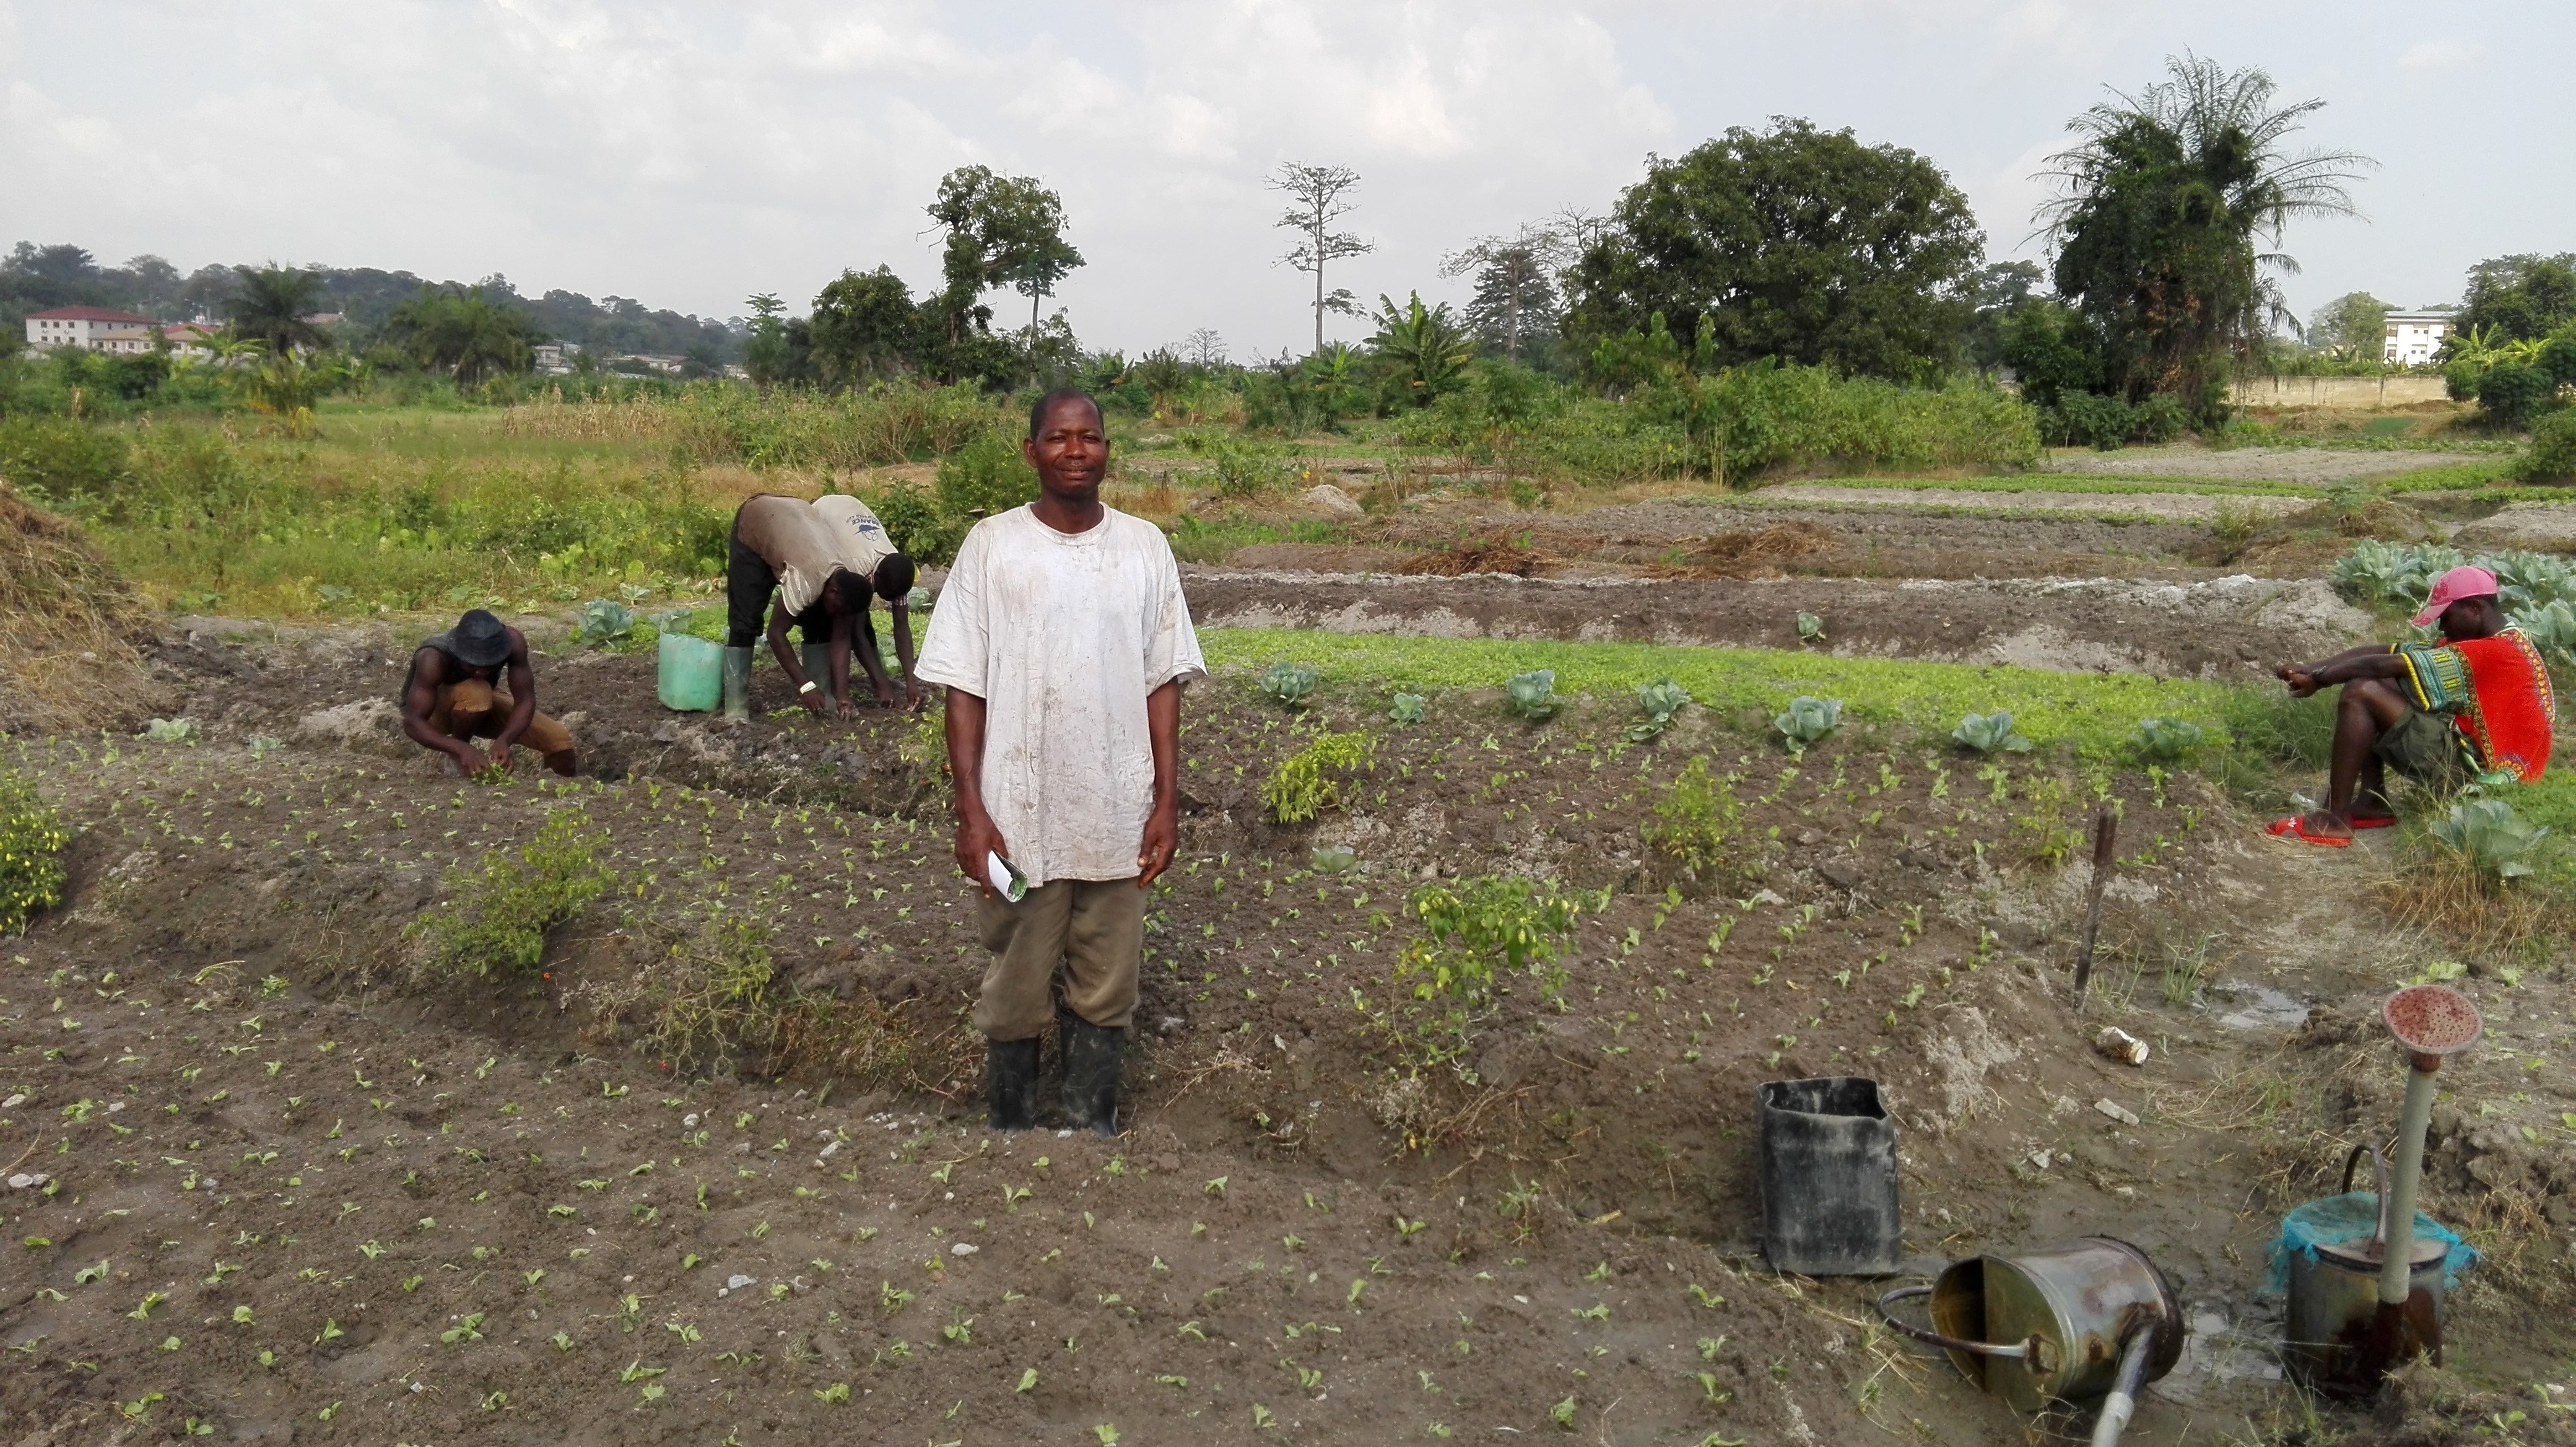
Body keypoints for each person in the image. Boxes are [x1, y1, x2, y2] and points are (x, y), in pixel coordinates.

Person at [914, 387, 1203, 1135]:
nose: (1076, 451)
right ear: (1031, 451)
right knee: (1014, 984)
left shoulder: (1143, 547)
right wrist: (972, 812)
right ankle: (1010, 1125)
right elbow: (964, 688)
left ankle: (1090, 1122)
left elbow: (1161, 682)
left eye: (1090, 438)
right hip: (1019, 809)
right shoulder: (993, 546)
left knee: (1106, 985)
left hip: (1116, 806)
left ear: (1108, 449)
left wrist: (1165, 802)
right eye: (1058, 438)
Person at [2268, 565, 2554, 846]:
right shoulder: (2508, 638)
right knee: (2382, 685)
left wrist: (2321, 679)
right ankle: (2372, 802)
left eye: (2446, 617)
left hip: (2481, 782)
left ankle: (2335, 820)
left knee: (2361, 692)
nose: (2442, 626)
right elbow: (2387, 651)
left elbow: (2382, 664)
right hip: (2481, 760)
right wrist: (2312, 667)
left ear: (2475, 609)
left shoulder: (2494, 651)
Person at [723, 493, 916, 720]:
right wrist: (805, 686)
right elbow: (776, 634)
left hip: (799, 515)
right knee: (746, 618)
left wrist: (842, 695)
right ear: (833, 591)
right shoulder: (807, 580)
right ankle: (736, 707)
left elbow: (844, 636)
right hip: (757, 521)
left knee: (820, 618)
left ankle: (825, 694)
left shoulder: (845, 577)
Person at [398, 608, 577, 777]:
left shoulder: (513, 643)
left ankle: (560, 794)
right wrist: (461, 748)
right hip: (433, 713)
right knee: (477, 691)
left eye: (489, 666)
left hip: (483, 704)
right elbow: (413, 722)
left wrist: (505, 740)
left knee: (558, 740)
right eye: (473, 666)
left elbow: (525, 700)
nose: (481, 673)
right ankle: (454, 759)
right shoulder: (434, 657)